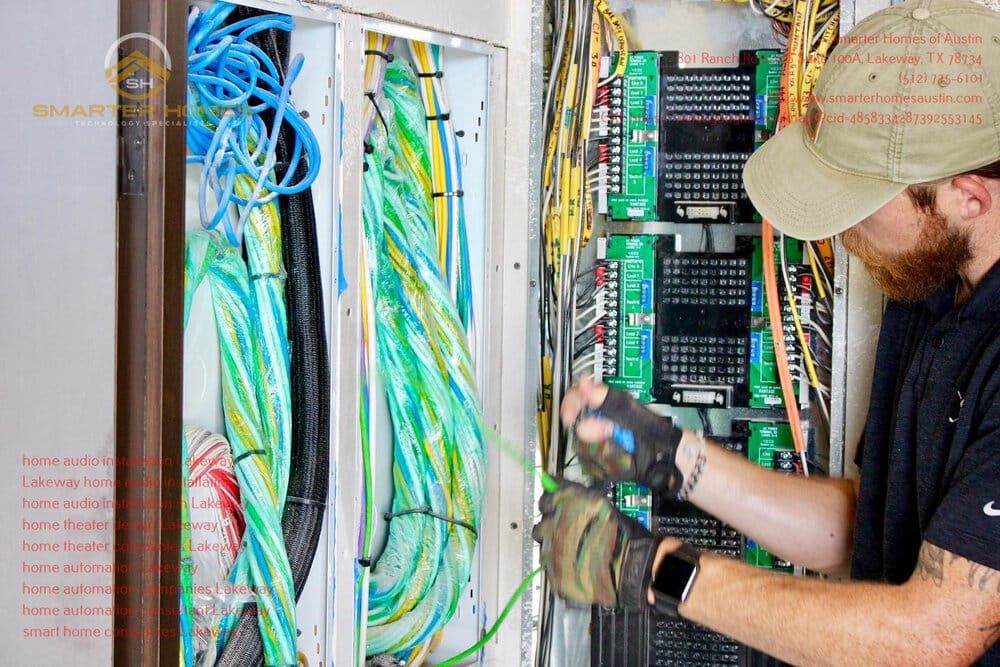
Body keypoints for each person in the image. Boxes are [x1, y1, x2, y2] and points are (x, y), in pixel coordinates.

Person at [532, 0, 1000, 663]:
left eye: (859, 205)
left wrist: (646, 567)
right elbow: (862, 527)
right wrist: (678, 459)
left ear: (968, 197)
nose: (842, 233)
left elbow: (929, 634)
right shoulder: (927, 286)